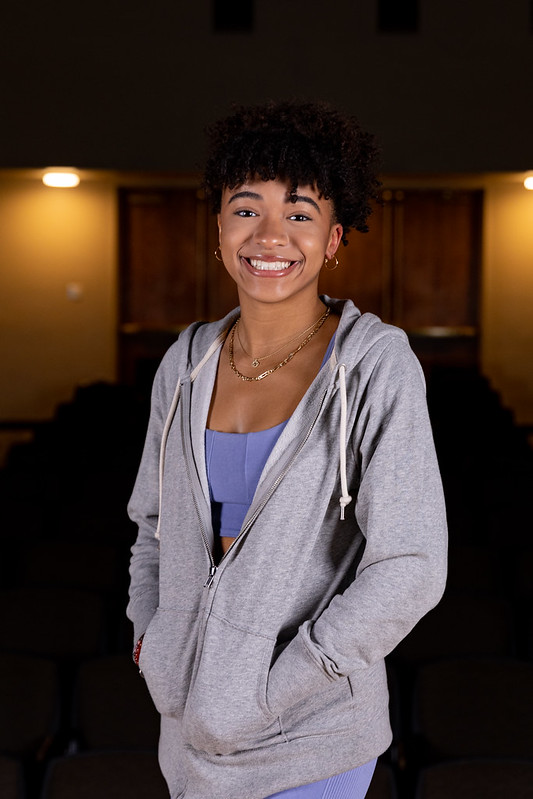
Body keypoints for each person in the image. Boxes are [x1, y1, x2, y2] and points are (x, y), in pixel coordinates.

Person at [126, 100, 447, 799]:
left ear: (333, 239)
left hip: (310, 737)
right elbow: (151, 527)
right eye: (246, 208)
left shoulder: (373, 364)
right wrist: (152, 640)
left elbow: (412, 566)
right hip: (188, 738)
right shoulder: (184, 363)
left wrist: (280, 685)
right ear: (217, 229)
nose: (269, 234)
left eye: (299, 213)